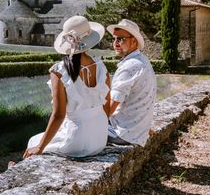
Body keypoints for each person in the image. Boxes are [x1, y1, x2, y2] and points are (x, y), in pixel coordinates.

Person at [22, 16, 110, 159]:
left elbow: (59, 115)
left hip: (77, 139)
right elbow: (107, 106)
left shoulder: (60, 70)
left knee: (33, 141)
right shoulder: (101, 67)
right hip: (100, 137)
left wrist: (40, 147)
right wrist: (100, 130)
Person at [106, 19, 156, 147]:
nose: (116, 44)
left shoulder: (129, 67)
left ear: (134, 41)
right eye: (114, 39)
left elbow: (110, 108)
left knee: (81, 126)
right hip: (136, 131)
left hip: (123, 134)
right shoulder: (142, 60)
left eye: (121, 39)